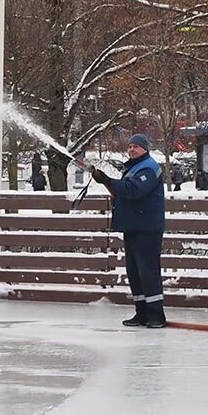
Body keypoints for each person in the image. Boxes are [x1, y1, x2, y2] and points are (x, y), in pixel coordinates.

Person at [90, 133, 167, 328]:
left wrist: (108, 180)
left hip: (147, 228)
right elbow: (122, 190)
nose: (132, 149)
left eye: (136, 146)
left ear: (145, 149)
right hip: (133, 227)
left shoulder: (150, 168)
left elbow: (134, 190)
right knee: (134, 272)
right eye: (130, 146)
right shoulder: (133, 168)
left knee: (148, 271)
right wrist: (105, 182)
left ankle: (156, 315)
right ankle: (141, 313)